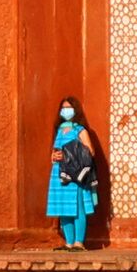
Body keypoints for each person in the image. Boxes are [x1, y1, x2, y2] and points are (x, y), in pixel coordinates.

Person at [47, 102, 108, 250]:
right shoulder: (59, 131)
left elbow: (90, 151)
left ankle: (79, 242)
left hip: (75, 175)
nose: (65, 111)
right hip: (59, 174)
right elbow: (53, 153)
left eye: (69, 108)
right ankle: (69, 242)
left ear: (76, 110)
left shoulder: (80, 130)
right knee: (63, 208)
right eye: (63, 108)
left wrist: (69, 154)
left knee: (78, 208)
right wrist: (54, 156)